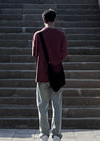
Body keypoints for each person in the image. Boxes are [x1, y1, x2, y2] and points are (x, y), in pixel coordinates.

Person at [32, 8, 67, 141]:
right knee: (57, 106)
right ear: (54, 19)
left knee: (42, 106)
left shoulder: (38, 35)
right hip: (56, 74)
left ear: (44, 20)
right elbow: (63, 55)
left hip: (42, 75)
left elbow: (34, 54)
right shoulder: (61, 35)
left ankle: (44, 134)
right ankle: (56, 134)